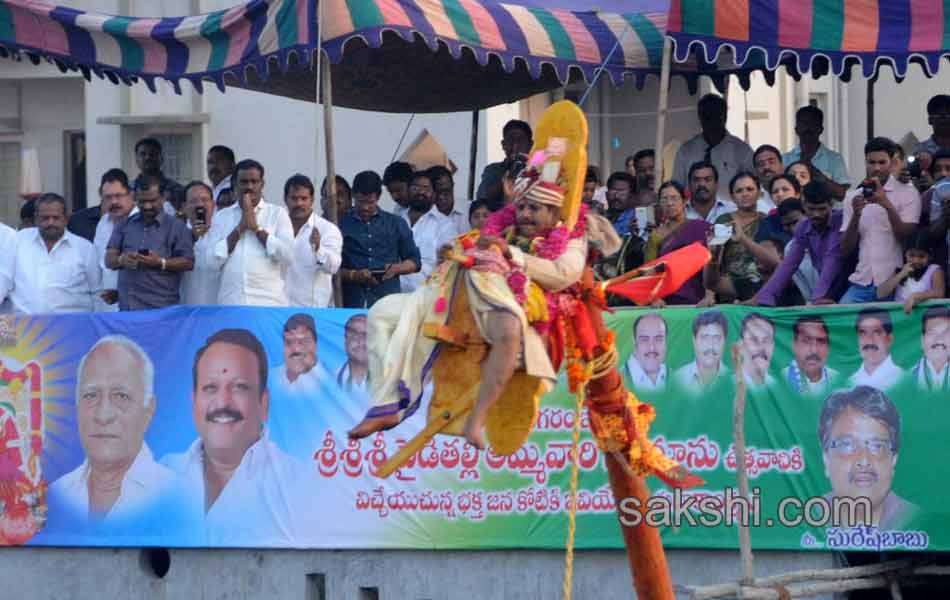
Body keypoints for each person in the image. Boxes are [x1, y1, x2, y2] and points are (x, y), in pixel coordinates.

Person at [349, 153, 589, 449]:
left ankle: (476, 420)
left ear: (555, 215)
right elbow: (469, 245)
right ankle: (385, 406)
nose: (525, 214)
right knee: (381, 313)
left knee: (509, 332)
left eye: (534, 208)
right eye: (522, 206)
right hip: (454, 294)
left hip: (514, 304)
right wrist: (450, 253)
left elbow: (563, 273)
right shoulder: (502, 227)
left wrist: (510, 254)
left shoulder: (572, 239)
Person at [161, 328, 320, 544]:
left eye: (239, 387)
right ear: (194, 402)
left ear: (263, 403)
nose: (223, 402)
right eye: (210, 388)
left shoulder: (299, 484)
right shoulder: (162, 476)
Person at [49, 336, 174, 524]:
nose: (103, 415)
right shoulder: (56, 495)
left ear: (148, 410)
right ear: (77, 408)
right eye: (91, 395)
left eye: (121, 396)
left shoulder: (177, 495)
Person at [818, 386, 918, 530]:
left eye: (877, 446)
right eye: (847, 445)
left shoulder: (918, 521)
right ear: (826, 460)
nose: (864, 461)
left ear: (893, 459)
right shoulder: (806, 518)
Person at [840, 137, 921, 304]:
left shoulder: (908, 193)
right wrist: (856, 215)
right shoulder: (852, 197)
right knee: (842, 319)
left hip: (896, 281)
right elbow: (845, 248)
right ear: (865, 162)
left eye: (882, 162)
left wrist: (886, 204)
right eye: (871, 162)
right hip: (862, 281)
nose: (876, 168)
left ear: (892, 163)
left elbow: (905, 236)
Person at [205, 159, 294, 306]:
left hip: (269, 302)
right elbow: (211, 262)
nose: (249, 187)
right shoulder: (222, 216)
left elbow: (288, 256)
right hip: (232, 301)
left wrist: (257, 229)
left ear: (262, 184)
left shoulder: (278, 214)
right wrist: (240, 228)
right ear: (235, 184)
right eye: (244, 182)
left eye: (254, 181)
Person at [105, 174, 195, 311]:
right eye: (142, 201)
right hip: (128, 310)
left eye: (152, 201)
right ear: (135, 197)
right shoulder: (124, 224)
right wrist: (121, 260)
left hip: (162, 311)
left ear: (164, 197)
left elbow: (188, 262)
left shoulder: (177, 227)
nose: (147, 206)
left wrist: (160, 262)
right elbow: (109, 259)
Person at [1, 194, 101, 314]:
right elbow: (4, 279)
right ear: (36, 218)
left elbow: (98, 292)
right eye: (45, 218)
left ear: (66, 219)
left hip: (73, 327)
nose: (50, 223)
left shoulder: (85, 249)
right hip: (25, 327)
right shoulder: (18, 241)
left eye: (56, 218)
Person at [339, 171, 421, 308]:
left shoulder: (396, 224)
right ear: (353, 195)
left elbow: (415, 261)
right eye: (360, 202)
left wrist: (396, 268)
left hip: (388, 301)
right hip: (352, 301)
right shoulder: (341, 224)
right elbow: (331, 267)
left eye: (370, 202)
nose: (365, 207)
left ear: (379, 197)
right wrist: (353, 275)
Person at [756, 181, 843, 306]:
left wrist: (818, 296)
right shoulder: (803, 226)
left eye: (822, 209)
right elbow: (789, 264)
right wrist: (766, 295)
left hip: (849, 287)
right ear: (803, 204)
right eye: (811, 209)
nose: (816, 214)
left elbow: (833, 259)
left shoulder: (840, 220)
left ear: (831, 205)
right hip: (824, 294)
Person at [703, 171, 772, 304]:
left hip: (759, 289)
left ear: (759, 193)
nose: (745, 194)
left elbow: (773, 260)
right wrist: (709, 295)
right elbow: (714, 256)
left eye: (750, 189)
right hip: (728, 290)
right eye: (739, 191)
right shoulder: (725, 220)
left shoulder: (767, 221)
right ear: (732, 197)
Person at [672, 94, 754, 201]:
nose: (710, 121)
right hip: (693, 213)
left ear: (724, 116)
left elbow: (753, 187)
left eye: (715, 115)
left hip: (731, 214)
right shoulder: (686, 150)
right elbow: (677, 188)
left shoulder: (742, 151)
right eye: (706, 116)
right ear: (700, 117)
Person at [642, 181, 711, 306]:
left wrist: (709, 296)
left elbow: (711, 263)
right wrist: (655, 297)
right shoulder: (656, 236)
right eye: (664, 199)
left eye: (674, 198)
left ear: (684, 201)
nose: (669, 203)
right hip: (666, 301)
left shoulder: (701, 228)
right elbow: (649, 271)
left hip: (699, 297)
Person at [283, 174, 343, 307]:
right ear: (285, 199)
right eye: (294, 198)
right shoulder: (276, 226)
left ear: (312, 200)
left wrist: (318, 248)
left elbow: (333, 267)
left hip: (313, 310)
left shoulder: (327, 229)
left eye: (304, 199)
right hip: (279, 307)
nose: (299, 203)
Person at [400, 171, 458, 293]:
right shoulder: (396, 219)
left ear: (434, 193)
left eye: (426, 188)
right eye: (416, 187)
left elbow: (447, 263)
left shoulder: (445, 225)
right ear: (408, 190)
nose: (421, 192)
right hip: (394, 294)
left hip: (426, 297)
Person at [783, 106, 851, 201]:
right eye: (804, 123)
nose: (808, 128)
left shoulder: (835, 159)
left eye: (812, 123)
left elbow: (841, 194)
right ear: (796, 129)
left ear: (821, 129)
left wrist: (813, 171)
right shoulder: (784, 159)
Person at [92, 169, 136, 311]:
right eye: (108, 197)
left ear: (130, 194)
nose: (114, 202)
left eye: (118, 196)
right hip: (105, 308)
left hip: (135, 306)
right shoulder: (103, 223)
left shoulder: (144, 221)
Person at [876, 232, 945, 313]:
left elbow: (939, 293)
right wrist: (900, 275)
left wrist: (916, 296)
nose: (916, 260)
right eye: (911, 255)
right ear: (905, 254)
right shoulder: (900, 270)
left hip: (925, 319)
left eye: (921, 256)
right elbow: (880, 293)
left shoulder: (934, 270)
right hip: (899, 319)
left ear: (929, 256)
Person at [180, 181, 222, 305]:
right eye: (193, 201)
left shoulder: (224, 236)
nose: (199, 205)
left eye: (204, 200)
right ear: (183, 207)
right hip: (187, 310)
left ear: (213, 205)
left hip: (217, 310)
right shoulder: (176, 235)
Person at [270, 313, 332, 395]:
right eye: (289, 342)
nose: (296, 349)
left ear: (315, 345)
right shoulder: (270, 377)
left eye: (304, 341)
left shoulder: (330, 380)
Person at [476, 119, 533, 207]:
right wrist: (509, 171)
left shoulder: (538, 168)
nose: (515, 146)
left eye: (520, 140)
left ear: (530, 145)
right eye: (510, 140)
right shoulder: (493, 170)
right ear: (503, 145)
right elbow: (482, 198)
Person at [674, 310, 729, 391]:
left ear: (725, 341)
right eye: (704, 338)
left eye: (716, 338)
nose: (710, 346)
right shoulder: (677, 379)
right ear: (694, 340)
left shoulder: (734, 381)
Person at [849, 308, 903, 391]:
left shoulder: (902, 378)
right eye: (863, 332)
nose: (869, 340)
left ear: (889, 339)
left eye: (877, 332)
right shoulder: (850, 382)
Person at [785, 315, 838, 396]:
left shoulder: (838, 379)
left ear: (828, 347)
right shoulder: (780, 380)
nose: (814, 350)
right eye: (806, 341)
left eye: (821, 341)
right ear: (794, 346)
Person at [132, 137, 185, 217]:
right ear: (136, 160)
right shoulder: (129, 190)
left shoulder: (178, 190)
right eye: (143, 154)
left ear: (161, 158)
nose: (147, 157)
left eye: (152, 154)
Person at [625, 313, 668, 392]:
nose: (652, 348)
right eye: (644, 339)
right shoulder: (618, 381)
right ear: (634, 342)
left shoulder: (676, 377)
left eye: (658, 339)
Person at [911, 305, 949, 392]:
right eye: (932, 333)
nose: (939, 339)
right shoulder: (905, 378)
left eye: (945, 333)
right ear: (922, 340)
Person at [738, 313, 775, 389]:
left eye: (766, 340)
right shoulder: (727, 385)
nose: (761, 347)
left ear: (773, 346)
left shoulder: (778, 386)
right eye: (754, 340)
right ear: (741, 346)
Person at [429, 165, 469, 236]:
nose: (441, 197)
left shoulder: (470, 210)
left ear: (453, 186)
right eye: (437, 192)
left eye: (446, 191)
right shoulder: (423, 216)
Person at [337, 313, 370, 398]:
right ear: (345, 341)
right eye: (354, 336)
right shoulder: (330, 378)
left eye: (366, 335)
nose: (360, 341)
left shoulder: (390, 378)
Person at [605, 171, 639, 237]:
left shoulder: (636, 219)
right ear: (606, 194)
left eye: (622, 193)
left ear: (631, 196)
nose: (616, 196)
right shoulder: (600, 217)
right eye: (613, 191)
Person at [752, 144, 784, 212]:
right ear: (755, 171)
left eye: (771, 162)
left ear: (782, 165)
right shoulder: (751, 197)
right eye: (761, 164)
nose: (766, 167)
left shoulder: (794, 192)